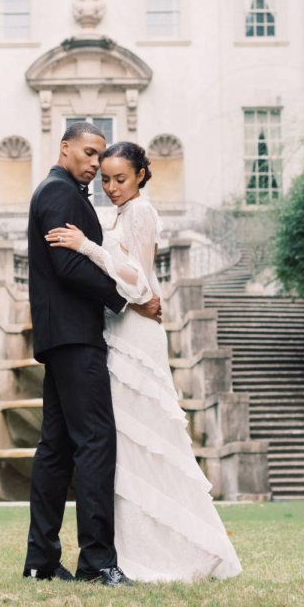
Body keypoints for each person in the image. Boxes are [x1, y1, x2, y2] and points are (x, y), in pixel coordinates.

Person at [46, 141, 242, 582]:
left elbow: (139, 282)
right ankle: (128, 547)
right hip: (114, 329)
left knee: (144, 438)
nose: (112, 187)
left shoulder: (141, 212)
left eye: (121, 179)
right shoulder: (113, 214)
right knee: (122, 445)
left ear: (140, 176)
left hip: (135, 334)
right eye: (106, 179)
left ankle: (166, 550)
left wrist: (86, 248)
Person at [21, 122, 162, 587]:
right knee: (96, 442)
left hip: (60, 335)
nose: (97, 163)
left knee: (56, 449)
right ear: (64, 148)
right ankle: (98, 562)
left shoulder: (59, 191)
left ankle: (41, 561)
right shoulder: (60, 194)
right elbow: (68, 266)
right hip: (76, 336)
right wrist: (129, 301)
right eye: (88, 152)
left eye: (101, 156)